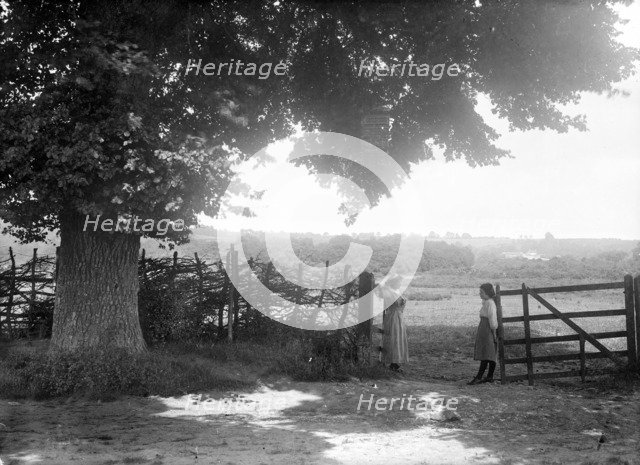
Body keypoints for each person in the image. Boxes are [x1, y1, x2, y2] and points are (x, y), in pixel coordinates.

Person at [468, 283, 499, 385]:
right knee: (488, 352)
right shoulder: (486, 302)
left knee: (490, 353)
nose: (480, 294)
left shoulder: (490, 303)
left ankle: (482, 376)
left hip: (488, 329)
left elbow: (493, 320)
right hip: (484, 329)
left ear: (487, 293)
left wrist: (494, 333)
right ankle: (487, 376)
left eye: (482, 292)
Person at [376, 275, 409, 372]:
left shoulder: (397, 292)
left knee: (398, 338)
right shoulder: (389, 293)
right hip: (392, 317)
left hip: (399, 317)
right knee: (393, 338)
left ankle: (396, 361)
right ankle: (391, 360)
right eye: (399, 282)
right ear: (394, 283)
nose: (400, 284)